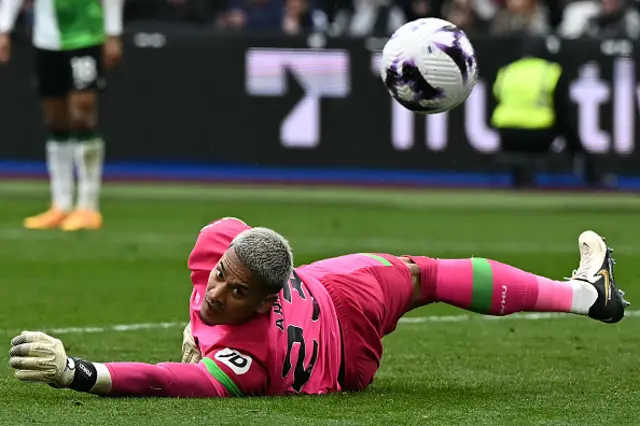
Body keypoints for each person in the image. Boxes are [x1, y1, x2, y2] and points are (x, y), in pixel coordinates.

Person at [8, 217, 629, 397]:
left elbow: (169, 380)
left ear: (271, 297)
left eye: (238, 291)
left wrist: (78, 372)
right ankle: (587, 294)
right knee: (423, 275)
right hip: (340, 323)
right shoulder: (221, 247)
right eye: (221, 278)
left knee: (427, 274)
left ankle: (587, 296)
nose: (220, 291)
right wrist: (194, 320)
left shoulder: (251, 356)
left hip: (340, 306)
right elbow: (223, 260)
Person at [0, 0, 124, 231]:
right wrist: (3, 28)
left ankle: (88, 205)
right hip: (45, 40)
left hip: (86, 36)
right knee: (55, 119)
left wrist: (113, 33)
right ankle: (61, 204)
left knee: (82, 111)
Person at [490, 36, 596, 187]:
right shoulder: (551, 71)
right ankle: (587, 173)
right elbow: (561, 110)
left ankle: (518, 179)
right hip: (538, 135)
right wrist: (575, 146)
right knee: (564, 125)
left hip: (506, 134)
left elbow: (498, 96)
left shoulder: (508, 70)